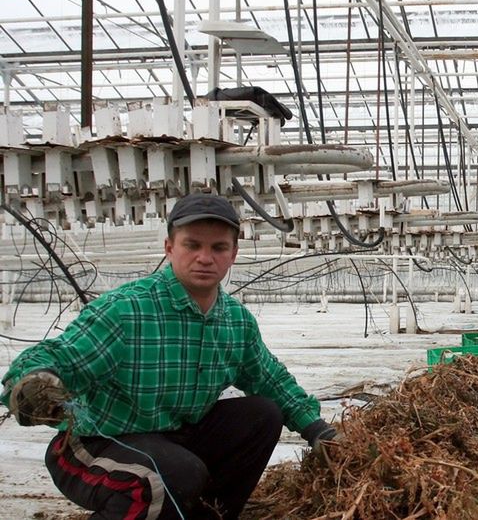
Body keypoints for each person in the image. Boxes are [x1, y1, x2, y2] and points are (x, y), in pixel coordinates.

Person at [1, 194, 336, 520]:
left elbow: (270, 380)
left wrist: (317, 430)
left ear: (233, 254)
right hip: (94, 444)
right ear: (170, 248)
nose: (205, 257)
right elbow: (64, 357)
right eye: (192, 245)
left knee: (262, 414)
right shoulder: (128, 310)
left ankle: (208, 516)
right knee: (173, 473)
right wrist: (34, 382)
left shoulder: (235, 321)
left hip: (173, 439)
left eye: (218, 247)